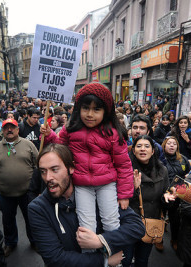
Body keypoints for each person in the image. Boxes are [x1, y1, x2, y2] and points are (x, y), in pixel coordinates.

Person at [40, 83, 134, 238]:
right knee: (86, 226)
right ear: (78, 109)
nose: (90, 114)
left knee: (111, 223)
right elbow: (60, 149)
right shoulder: (70, 128)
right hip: (81, 184)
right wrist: (49, 135)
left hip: (107, 184)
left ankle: (115, 260)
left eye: (96, 109)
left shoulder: (113, 132)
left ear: (106, 111)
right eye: (86, 108)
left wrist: (124, 194)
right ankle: (89, 257)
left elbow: (124, 165)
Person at [28, 143, 145, 267]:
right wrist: (104, 261)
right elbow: (54, 258)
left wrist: (101, 241)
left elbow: (136, 227)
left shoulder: (99, 193)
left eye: (54, 169)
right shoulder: (38, 209)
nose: (48, 177)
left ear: (71, 167)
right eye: (43, 171)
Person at [122, 135, 175, 266]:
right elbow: (120, 200)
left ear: (153, 151)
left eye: (147, 146)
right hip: (129, 222)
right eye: (139, 146)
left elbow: (165, 192)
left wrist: (167, 198)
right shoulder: (125, 170)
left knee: (142, 260)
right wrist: (133, 188)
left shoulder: (162, 170)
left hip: (151, 222)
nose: (142, 149)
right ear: (133, 151)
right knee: (126, 259)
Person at [0, 118, 38, 256]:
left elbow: (38, 166)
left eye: (12, 127)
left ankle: (34, 242)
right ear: (2, 131)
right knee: (8, 221)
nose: (9, 130)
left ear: (17, 129)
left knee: (31, 219)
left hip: (27, 193)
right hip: (5, 193)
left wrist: (39, 189)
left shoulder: (29, 145)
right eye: (6, 128)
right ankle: (10, 243)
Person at [162, 136, 191, 250]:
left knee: (175, 219)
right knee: (160, 215)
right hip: (163, 192)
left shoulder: (183, 159)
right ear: (164, 145)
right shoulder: (160, 158)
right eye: (169, 143)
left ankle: (174, 239)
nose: (171, 145)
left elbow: (189, 173)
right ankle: (158, 239)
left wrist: (188, 176)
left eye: (174, 144)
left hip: (178, 192)